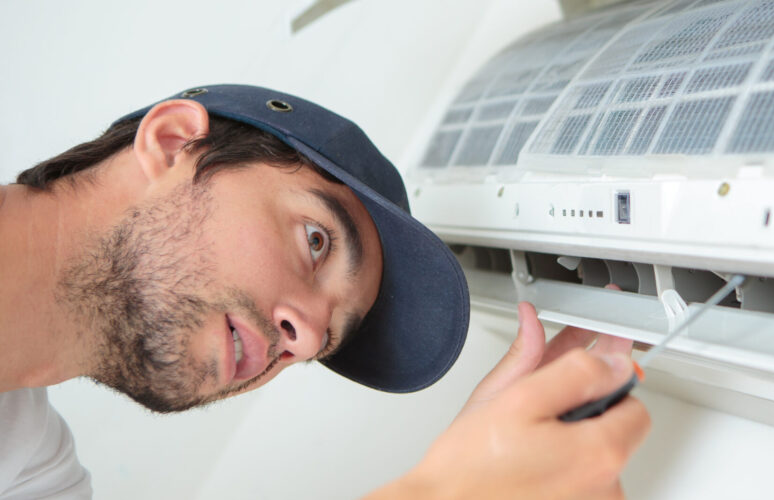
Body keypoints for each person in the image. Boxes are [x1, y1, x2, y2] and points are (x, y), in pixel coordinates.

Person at [0, 84, 650, 499]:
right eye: (315, 241)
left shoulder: (31, 466)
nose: (307, 341)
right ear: (173, 143)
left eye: (328, 339)